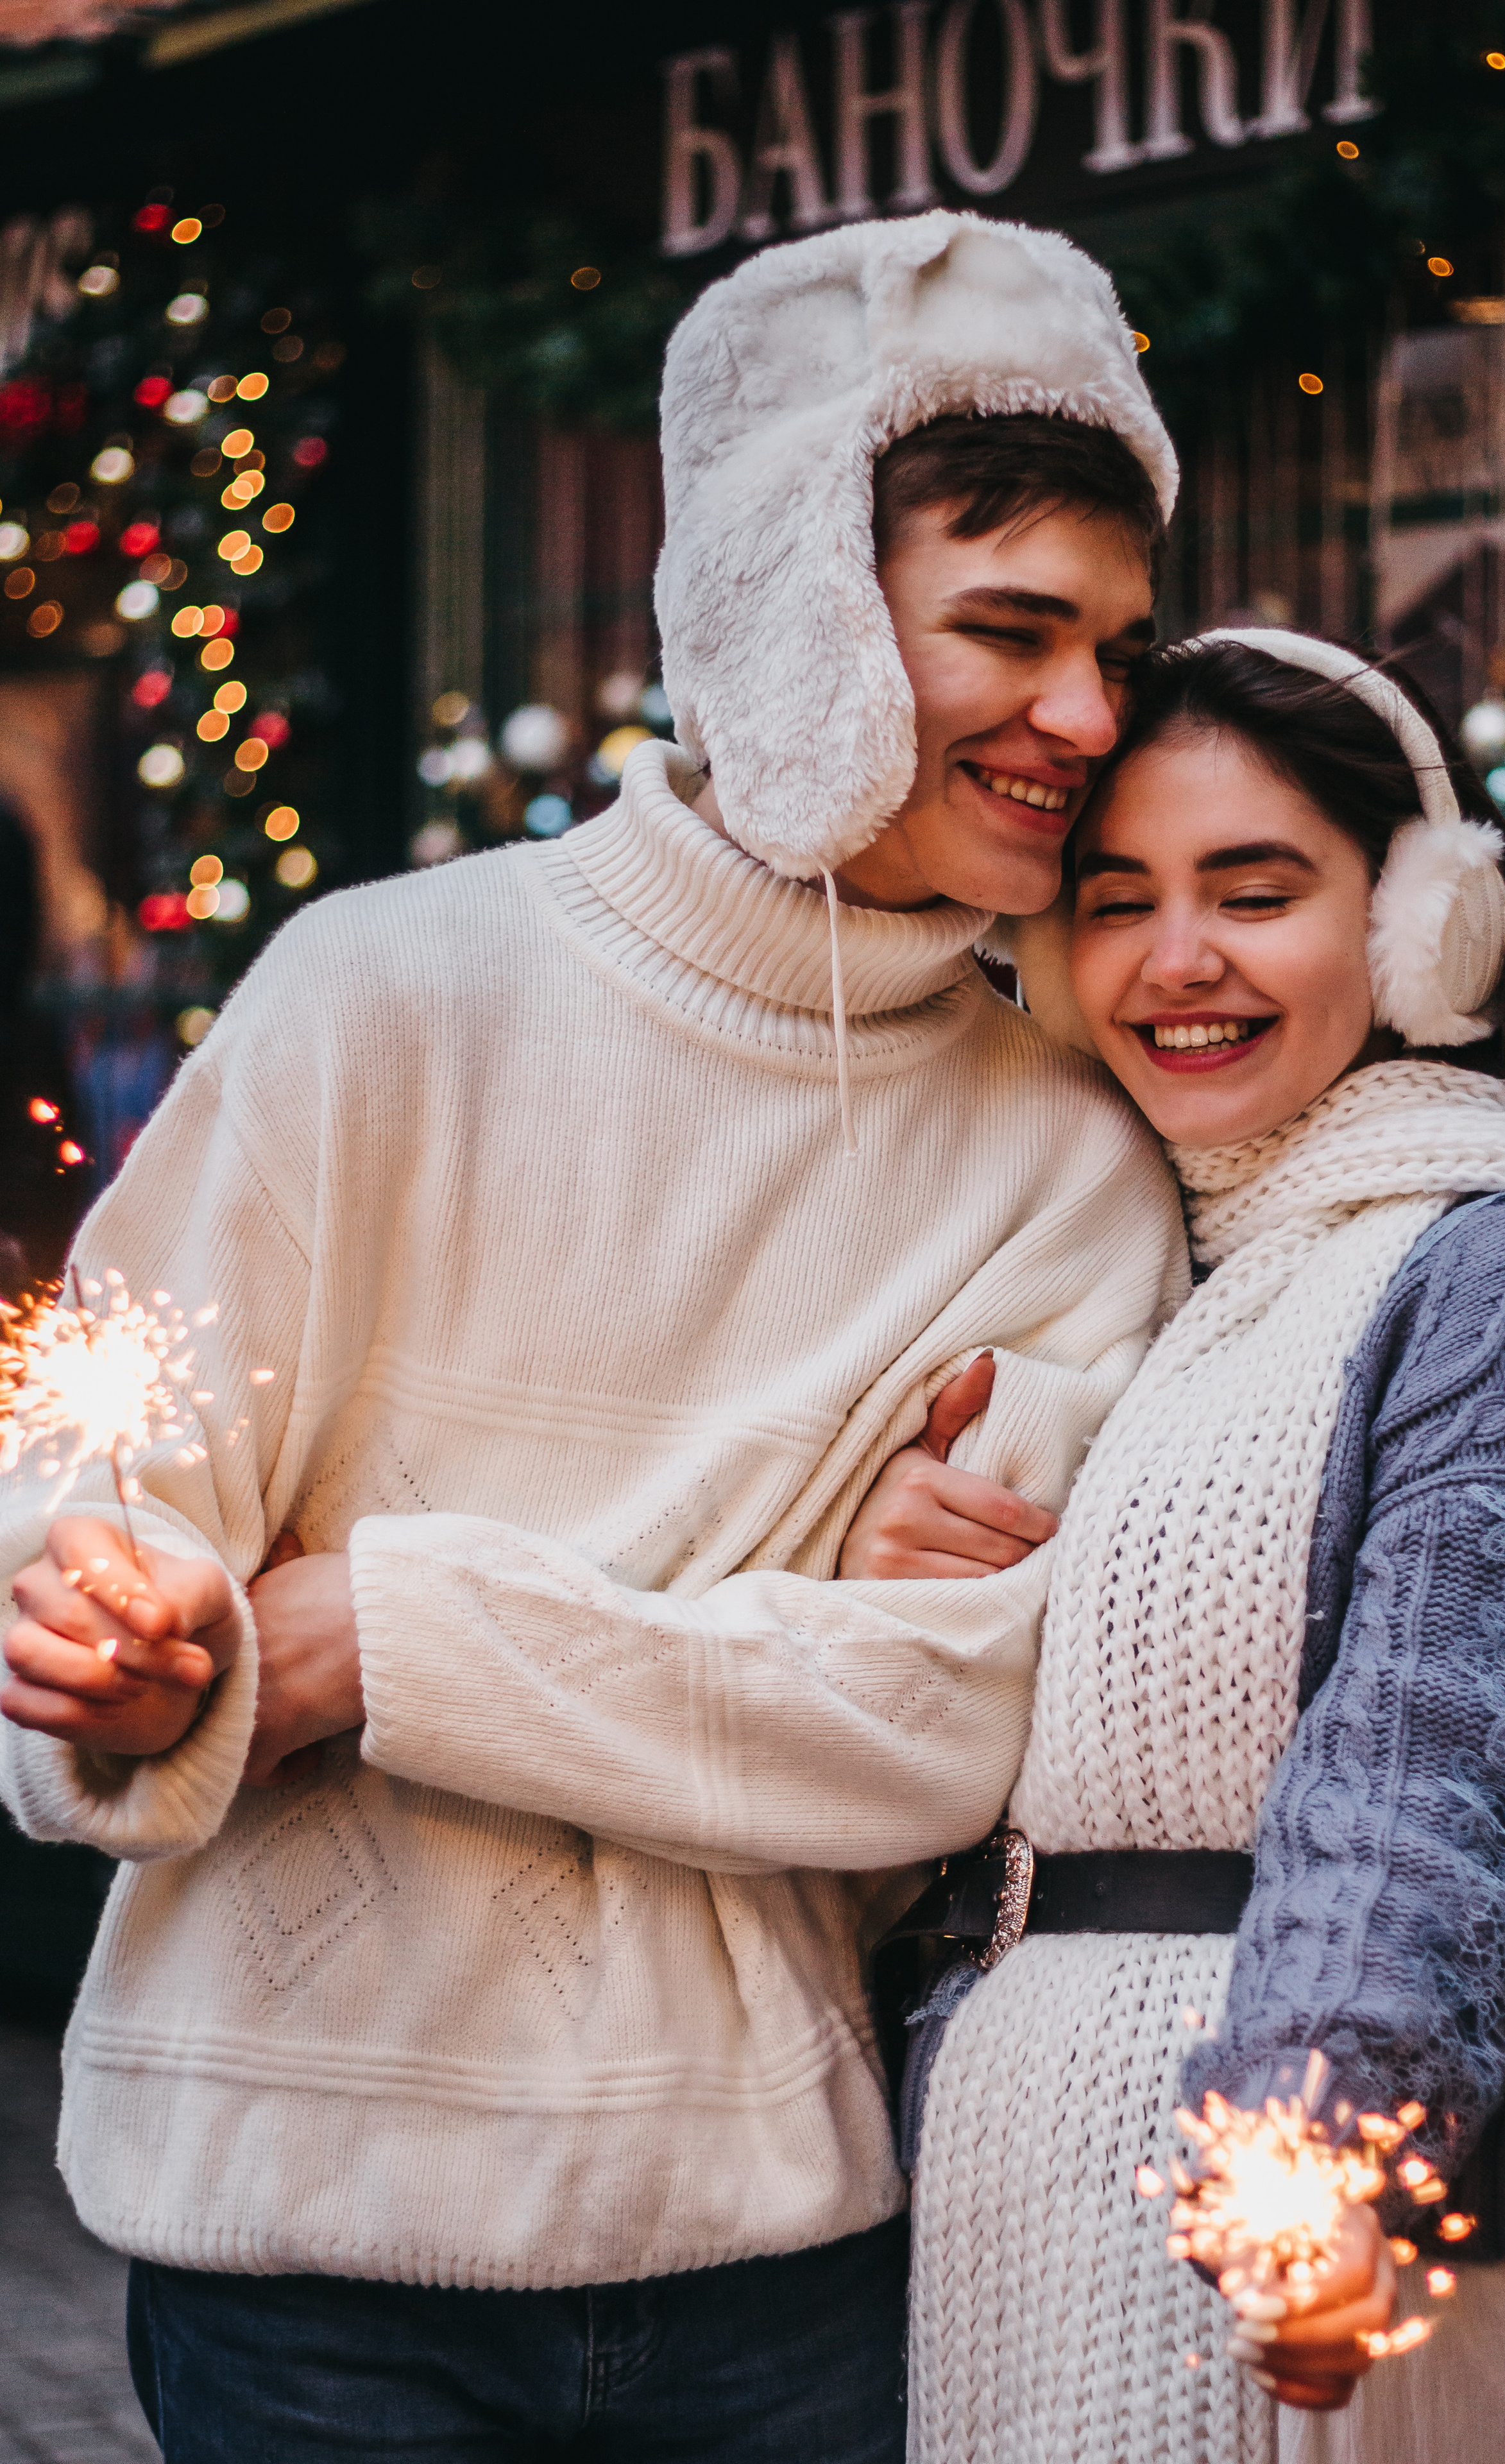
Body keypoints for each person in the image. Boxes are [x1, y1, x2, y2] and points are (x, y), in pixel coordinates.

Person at [0, 212, 1188, 2461]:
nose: (1088, 721)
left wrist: (370, 1639)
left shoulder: (1071, 1150)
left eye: (1118, 649)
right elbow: (95, 1490)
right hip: (296, 2258)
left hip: (782, 2279)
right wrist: (125, 1646)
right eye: (1012, 634)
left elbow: (943, 1724)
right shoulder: (378, 994)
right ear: (794, 622)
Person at [844, 630, 1505, 2464]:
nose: (1176, 960)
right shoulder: (1138, 1267)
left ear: (1423, 921)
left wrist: (1327, 2141)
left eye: (1257, 891)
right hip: (1019, 2179)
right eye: (1117, 901)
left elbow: (1442, 1763)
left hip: (1315, 2205)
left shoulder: (1501, 1259)